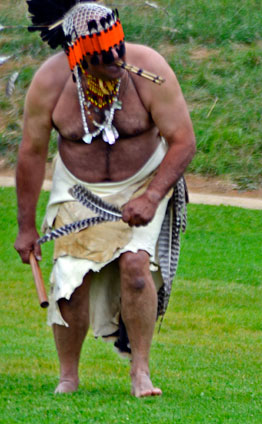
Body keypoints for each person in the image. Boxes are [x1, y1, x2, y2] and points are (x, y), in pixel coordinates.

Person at [14, 1, 195, 397]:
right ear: (78, 54)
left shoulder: (151, 71)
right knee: (70, 281)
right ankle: (68, 376)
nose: (116, 59)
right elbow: (30, 153)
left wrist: (151, 197)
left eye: (119, 48)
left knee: (135, 268)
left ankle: (140, 372)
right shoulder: (50, 84)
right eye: (103, 56)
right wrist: (26, 227)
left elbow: (183, 141)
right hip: (77, 187)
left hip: (145, 180)